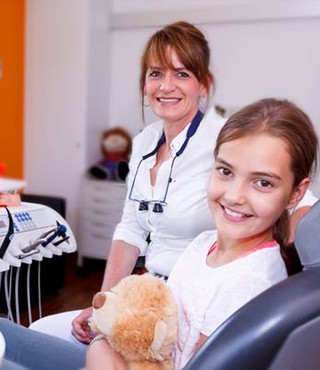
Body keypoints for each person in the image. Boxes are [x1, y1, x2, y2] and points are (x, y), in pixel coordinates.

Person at [28, 20, 317, 346]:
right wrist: (105, 301)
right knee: (43, 331)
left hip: (195, 303)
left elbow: (303, 205)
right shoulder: (144, 142)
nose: (166, 86)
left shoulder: (226, 140)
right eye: (156, 73)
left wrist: (272, 275)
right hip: (145, 295)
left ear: (204, 84)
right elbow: (131, 228)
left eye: (182, 74)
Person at [0, 97, 318, 370]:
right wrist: (108, 325)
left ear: (295, 193)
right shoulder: (202, 244)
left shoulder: (249, 282)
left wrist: (101, 351)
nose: (234, 195)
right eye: (225, 171)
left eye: (263, 182)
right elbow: (160, 326)